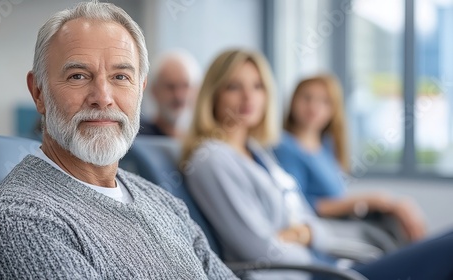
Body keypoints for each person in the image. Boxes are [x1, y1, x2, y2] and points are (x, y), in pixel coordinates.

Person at [0, 2, 237, 279]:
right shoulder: (20, 219)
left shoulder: (163, 201)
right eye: (78, 76)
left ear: (140, 89)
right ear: (39, 92)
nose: (103, 97)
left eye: (120, 77)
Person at [182, 49, 453, 280]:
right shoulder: (213, 159)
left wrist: (304, 233)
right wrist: (307, 237)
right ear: (213, 94)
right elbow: (260, 249)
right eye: (233, 86)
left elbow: (309, 221)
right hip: (305, 274)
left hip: (325, 267)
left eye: (258, 86)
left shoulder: (258, 153)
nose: (248, 97)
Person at [273, 74, 426, 243]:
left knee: (400, 219)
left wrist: (386, 203)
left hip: (345, 221)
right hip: (324, 229)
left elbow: (337, 196)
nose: (313, 107)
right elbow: (302, 206)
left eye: (324, 101)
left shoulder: (326, 145)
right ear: (293, 101)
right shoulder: (285, 147)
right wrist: (374, 200)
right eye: (307, 98)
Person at [139, 50, 201, 138]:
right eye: (170, 87)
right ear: (154, 90)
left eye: (185, 86)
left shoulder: (203, 140)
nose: (179, 96)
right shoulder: (139, 140)